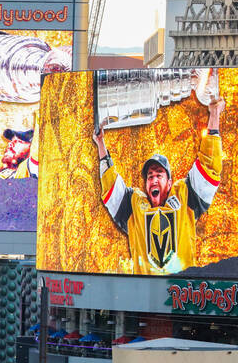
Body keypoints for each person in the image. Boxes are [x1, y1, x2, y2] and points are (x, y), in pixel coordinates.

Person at [94, 84, 226, 275]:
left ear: (170, 182)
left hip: (182, 295)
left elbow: (209, 167)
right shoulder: (134, 207)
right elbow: (111, 187)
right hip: (145, 296)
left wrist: (214, 115)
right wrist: (100, 144)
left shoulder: (184, 197)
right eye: (150, 176)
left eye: (159, 175)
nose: (154, 179)